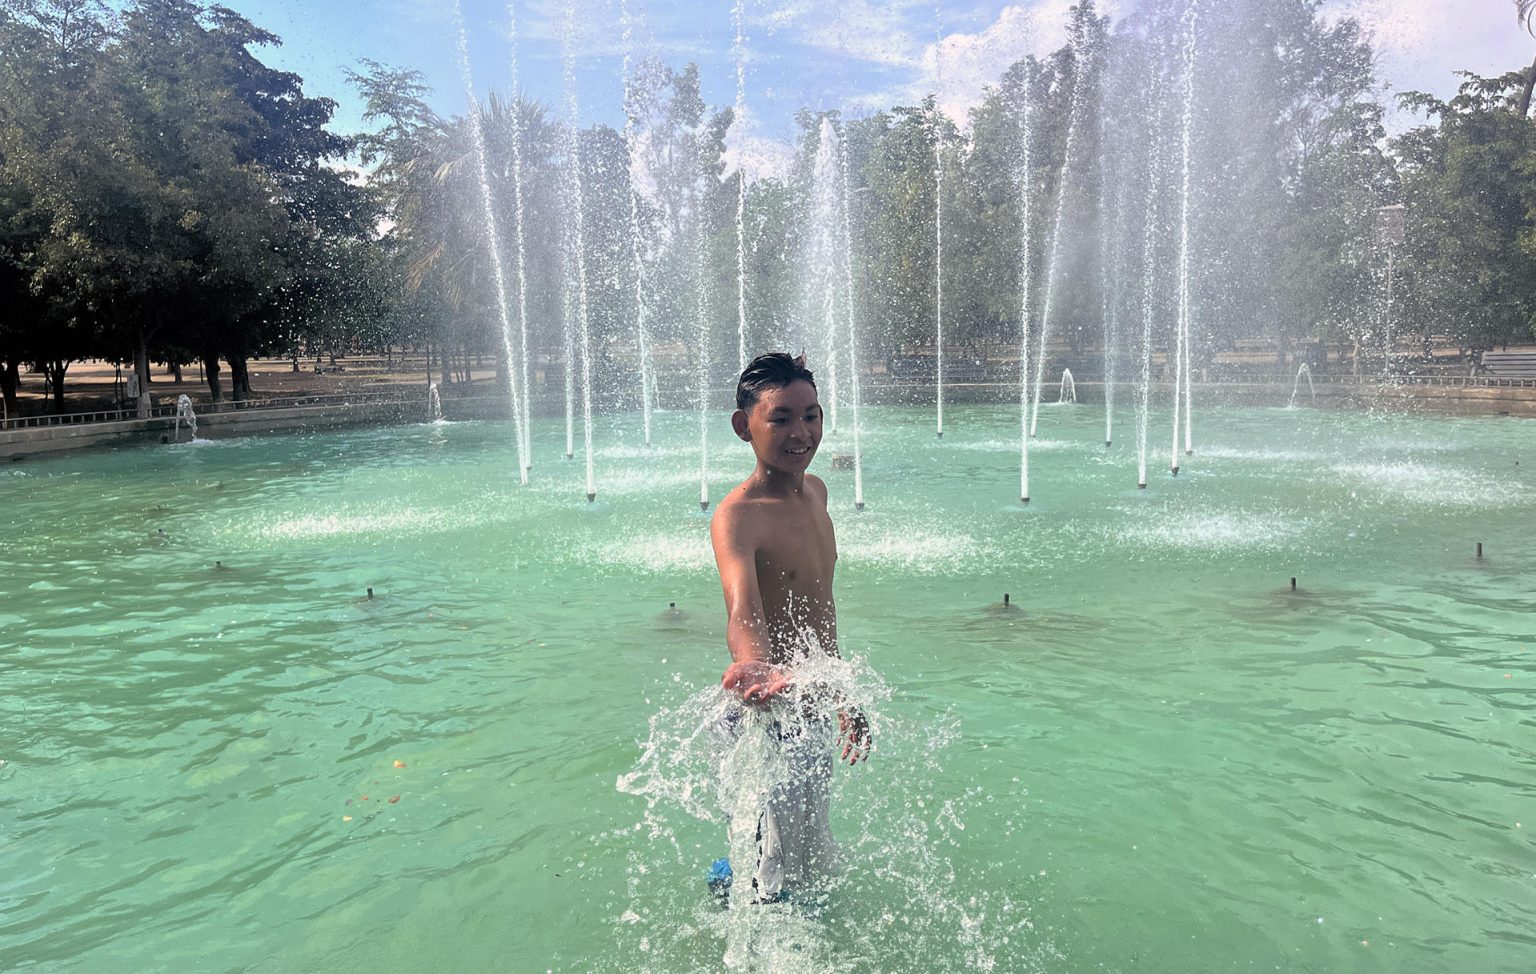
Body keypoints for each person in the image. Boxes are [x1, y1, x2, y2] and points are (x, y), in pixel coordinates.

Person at [709, 352, 871, 905]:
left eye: (812, 415)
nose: (801, 432)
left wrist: (842, 693)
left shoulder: (818, 492)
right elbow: (743, 609)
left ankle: (734, 881)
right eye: (780, 418)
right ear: (742, 425)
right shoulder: (739, 514)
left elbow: (821, 611)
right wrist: (757, 666)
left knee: (804, 848)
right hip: (763, 703)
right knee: (776, 869)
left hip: (806, 698)